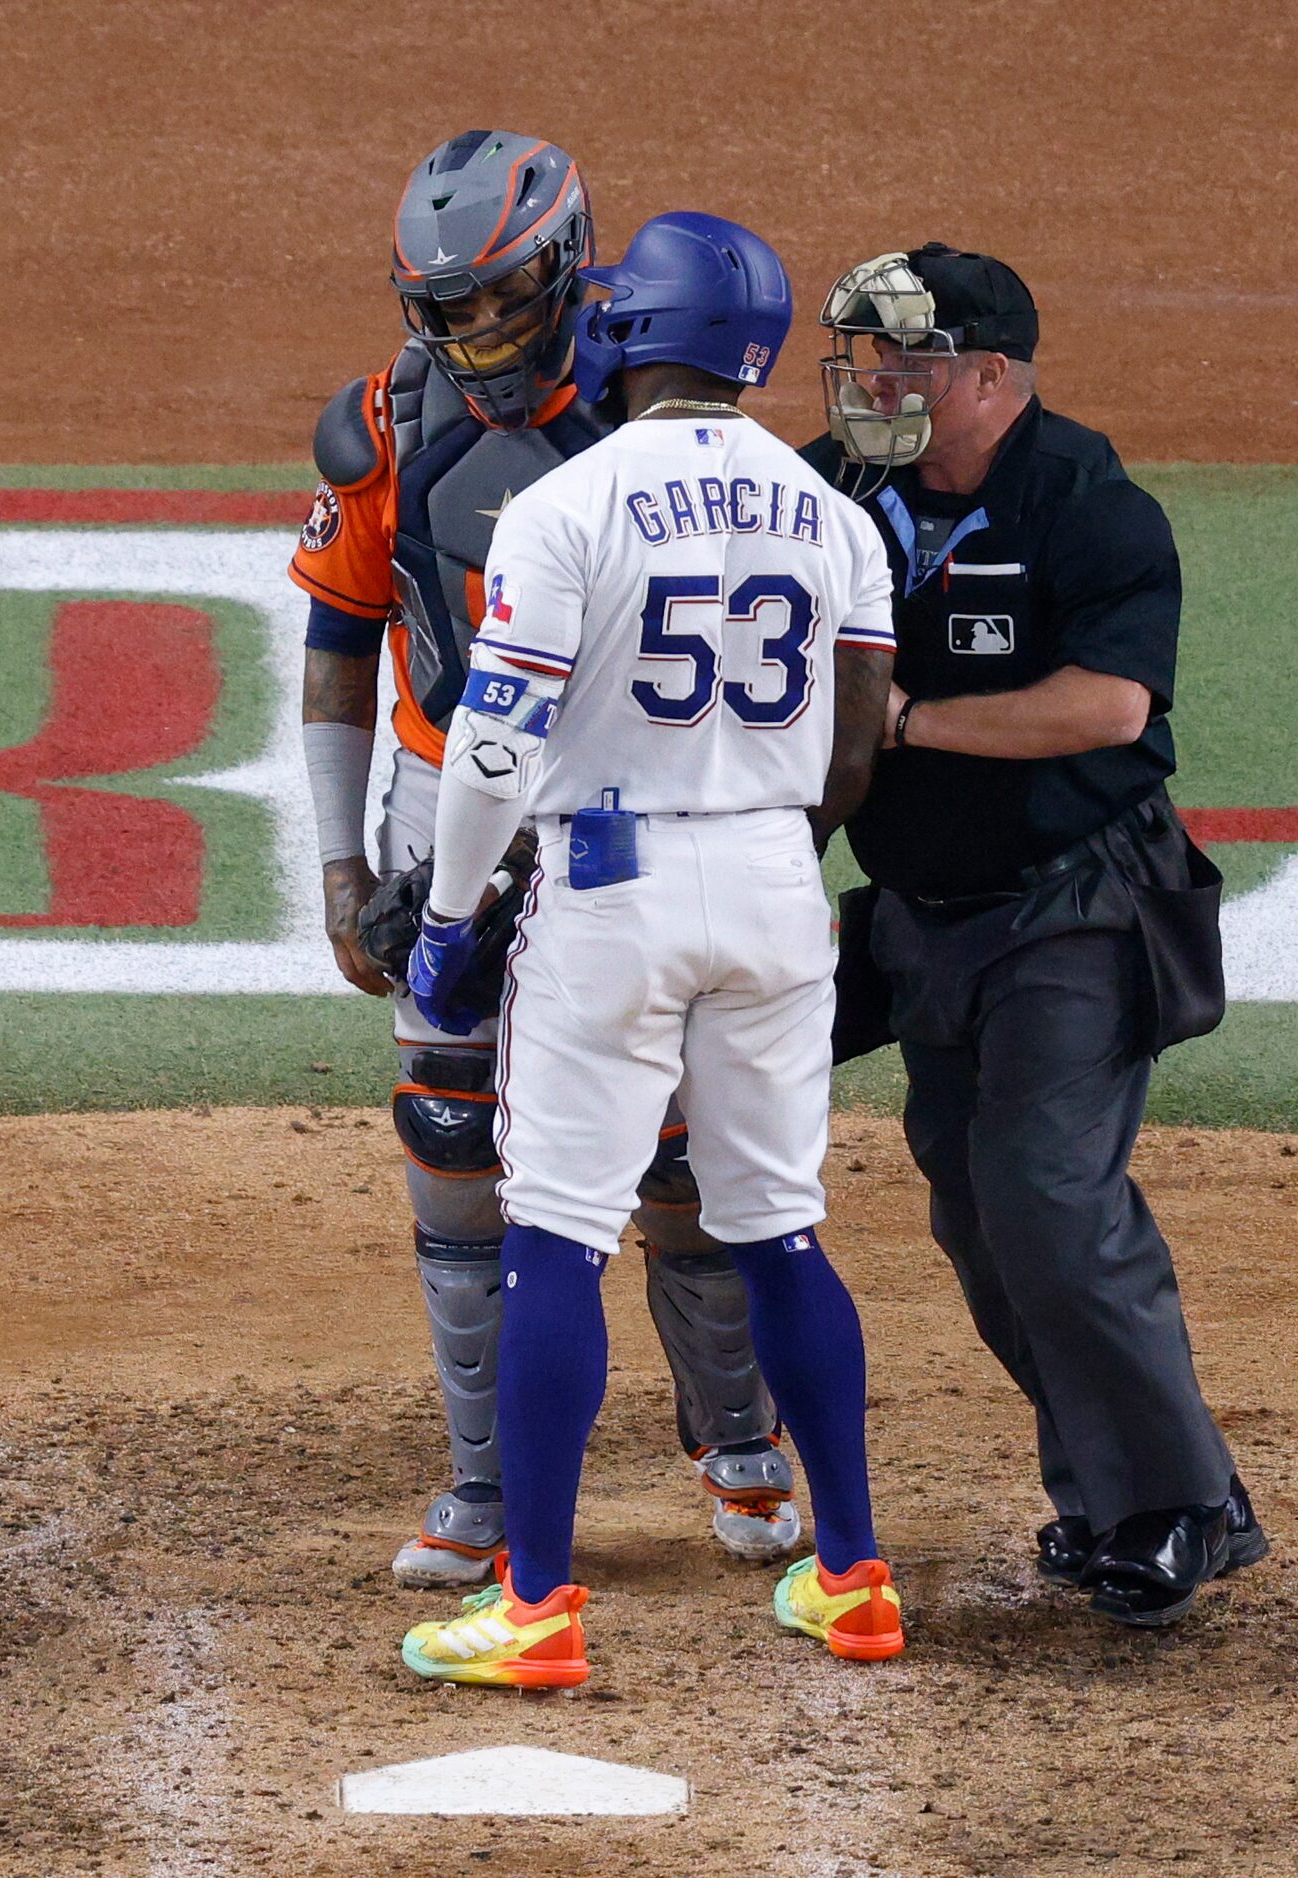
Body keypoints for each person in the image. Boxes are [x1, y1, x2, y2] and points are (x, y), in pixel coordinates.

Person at [290, 131, 804, 1591]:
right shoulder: (389, 419)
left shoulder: (658, 412)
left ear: (572, 269)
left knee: (676, 1152)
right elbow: (337, 641)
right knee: (452, 1145)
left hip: (628, 822)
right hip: (444, 802)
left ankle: (739, 1437)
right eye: (444, 310)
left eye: (501, 302)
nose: (472, 339)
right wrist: (342, 864)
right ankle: (482, 1480)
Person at [395, 211, 903, 1688]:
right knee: (778, 1224)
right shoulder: (837, 515)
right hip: (772, 884)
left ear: (626, 334)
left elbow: (491, 751)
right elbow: (856, 749)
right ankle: (853, 1574)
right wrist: (753, 849)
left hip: (608, 885)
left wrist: (444, 925)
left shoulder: (570, 506)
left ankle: (538, 1605)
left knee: (555, 1229)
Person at [808, 245, 1267, 1628]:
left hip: (1076, 900)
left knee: (1042, 1194)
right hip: (926, 917)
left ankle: (1175, 1509)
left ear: (992, 377)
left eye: (906, 360)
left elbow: (1111, 705)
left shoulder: (1083, 498)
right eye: (864, 355)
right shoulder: (836, 487)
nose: (873, 382)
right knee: (974, 1206)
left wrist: (904, 724)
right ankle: (1120, 1497)